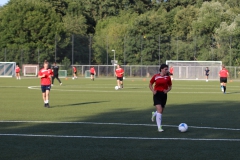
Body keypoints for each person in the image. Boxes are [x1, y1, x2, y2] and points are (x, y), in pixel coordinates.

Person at [149, 64, 172, 132]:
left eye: (167, 69)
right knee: (160, 110)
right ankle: (159, 127)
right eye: (165, 69)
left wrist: (167, 90)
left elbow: (170, 86)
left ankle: (154, 113)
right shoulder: (156, 76)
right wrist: (153, 91)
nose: (166, 70)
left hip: (164, 95)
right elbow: (150, 84)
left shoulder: (168, 78)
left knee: (161, 111)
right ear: (161, 69)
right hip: (157, 94)